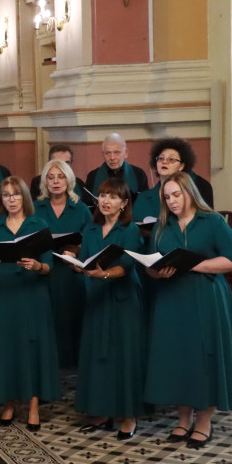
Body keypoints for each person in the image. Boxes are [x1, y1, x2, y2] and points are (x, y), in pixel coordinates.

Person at [143, 173, 232, 449]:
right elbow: (150, 267)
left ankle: (204, 421)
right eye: (167, 197)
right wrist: (157, 273)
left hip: (206, 297)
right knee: (177, 358)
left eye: (177, 195)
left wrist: (193, 265)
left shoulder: (212, 221)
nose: (172, 201)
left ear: (190, 193)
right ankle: (183, 419)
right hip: (171, 299)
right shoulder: (163, 227)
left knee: (205, 356)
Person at [0, 176, 60, 431]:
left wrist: (38, 266)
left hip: (30, 292)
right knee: (6, 348)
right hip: (2, 293)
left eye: (15, 194)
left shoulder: (39, 223)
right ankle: (9, 402)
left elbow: (50, 266)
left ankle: (34, 405)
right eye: (6, 195)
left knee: (32, 347)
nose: (11, 199)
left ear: (24, 196)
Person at [73, 178, 146, 440]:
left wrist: (104, 275)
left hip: (123, 298)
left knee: (123, 358)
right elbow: (86, 261)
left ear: (124, 203)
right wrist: (75, 263)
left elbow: (127, 265)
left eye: (113, 197)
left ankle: (128, 416)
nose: (105, 201)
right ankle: (101, 412)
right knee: (97, 356)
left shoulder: (130, 231)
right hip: (96, 298)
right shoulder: (91, 229)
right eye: (103, 195)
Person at [33, 159, 92, 369]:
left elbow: (90, 240)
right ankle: (49, 361)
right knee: (48, 318)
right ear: (45, 182)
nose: (56, 181)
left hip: (71, 272)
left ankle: (74, 362)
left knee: (72, 317)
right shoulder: (35, 208)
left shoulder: (81, 209)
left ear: (69, 180)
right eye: (51, 177)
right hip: (45, 272)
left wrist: (77, 251)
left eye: (60, 177)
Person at [132, 137, 215, 224]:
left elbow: (205, 223)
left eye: (171, 159)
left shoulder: (194, 192)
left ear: (181, 166)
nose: (164, 162)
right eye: (161, 158)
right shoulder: (143, 198)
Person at [84, 133, 148, 200]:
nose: (112, 157)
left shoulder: (138, 174)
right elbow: (89, 204)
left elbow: (144, 203)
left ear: (126, 153)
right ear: (103, 154)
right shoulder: (93, 176)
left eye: (117, 152)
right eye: (108, 153)